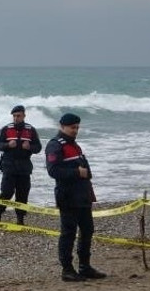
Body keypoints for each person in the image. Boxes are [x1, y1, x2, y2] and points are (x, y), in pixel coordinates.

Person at [45, 113, 107, 282]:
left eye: (77, 127)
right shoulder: (55, 145)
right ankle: (67, 269)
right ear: (62, 126)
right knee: (68, 233)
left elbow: (86, 169)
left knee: (87, 230)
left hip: (83, 195)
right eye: (72, 127)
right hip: (67, 196)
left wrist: (86, 176)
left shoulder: (75, 146)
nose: (75, 130)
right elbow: (53, 170)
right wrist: (76, 172)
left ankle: (85, 266)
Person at [0, 105, 42, 224]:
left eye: (18, 116)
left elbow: (38, 147)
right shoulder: (6, 129)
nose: (15, 118)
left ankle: (20, 219)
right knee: (6, 192)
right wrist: (7, 145)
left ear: (24, 116)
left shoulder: (30, 130)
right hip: (9, 165)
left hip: (24, 166)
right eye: (14, 116)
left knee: (23, 194)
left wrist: (29, 147)